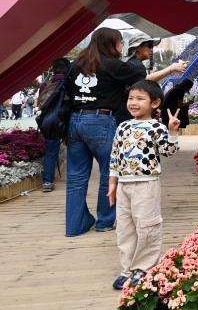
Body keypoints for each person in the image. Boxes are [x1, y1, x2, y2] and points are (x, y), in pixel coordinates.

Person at [64, 27, 147, 237]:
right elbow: (139, 73)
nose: (121, 46)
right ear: (111, 43)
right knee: (109, 173)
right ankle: (105, 221)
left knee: (76, 178)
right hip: (101, 120)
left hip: (74, 120)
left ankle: (74, 226)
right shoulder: (112, 64)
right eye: (120, 42)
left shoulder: (76, 65)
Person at [108, 80, 180, 290]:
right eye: (131, 98)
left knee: (147, 226)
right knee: (124, 228)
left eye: (140, 99)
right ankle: (127, 269)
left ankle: (144, 268)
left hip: (146, 184)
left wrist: (172, 131)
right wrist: (112, 184)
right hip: (123, 185)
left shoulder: (156, 127)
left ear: (155, 103)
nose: (133, 103)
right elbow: (114, 156)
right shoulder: (122, 126)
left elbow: (169, 152)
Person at [114, 32, 188, 124]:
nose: (151, 50)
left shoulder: (132, 63)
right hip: (124, 115)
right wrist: (171, 68)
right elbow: (145, 81)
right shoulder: (135, 65)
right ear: (138, 47)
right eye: (149, 46)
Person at [37, 57, 71, 192]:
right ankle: (74, 179)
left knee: (50, 152)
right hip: (66, 120)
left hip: (49, 122)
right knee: (74, 149)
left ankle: (47, 182)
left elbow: (41, 104)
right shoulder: (68, 82)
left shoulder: (45, 84)